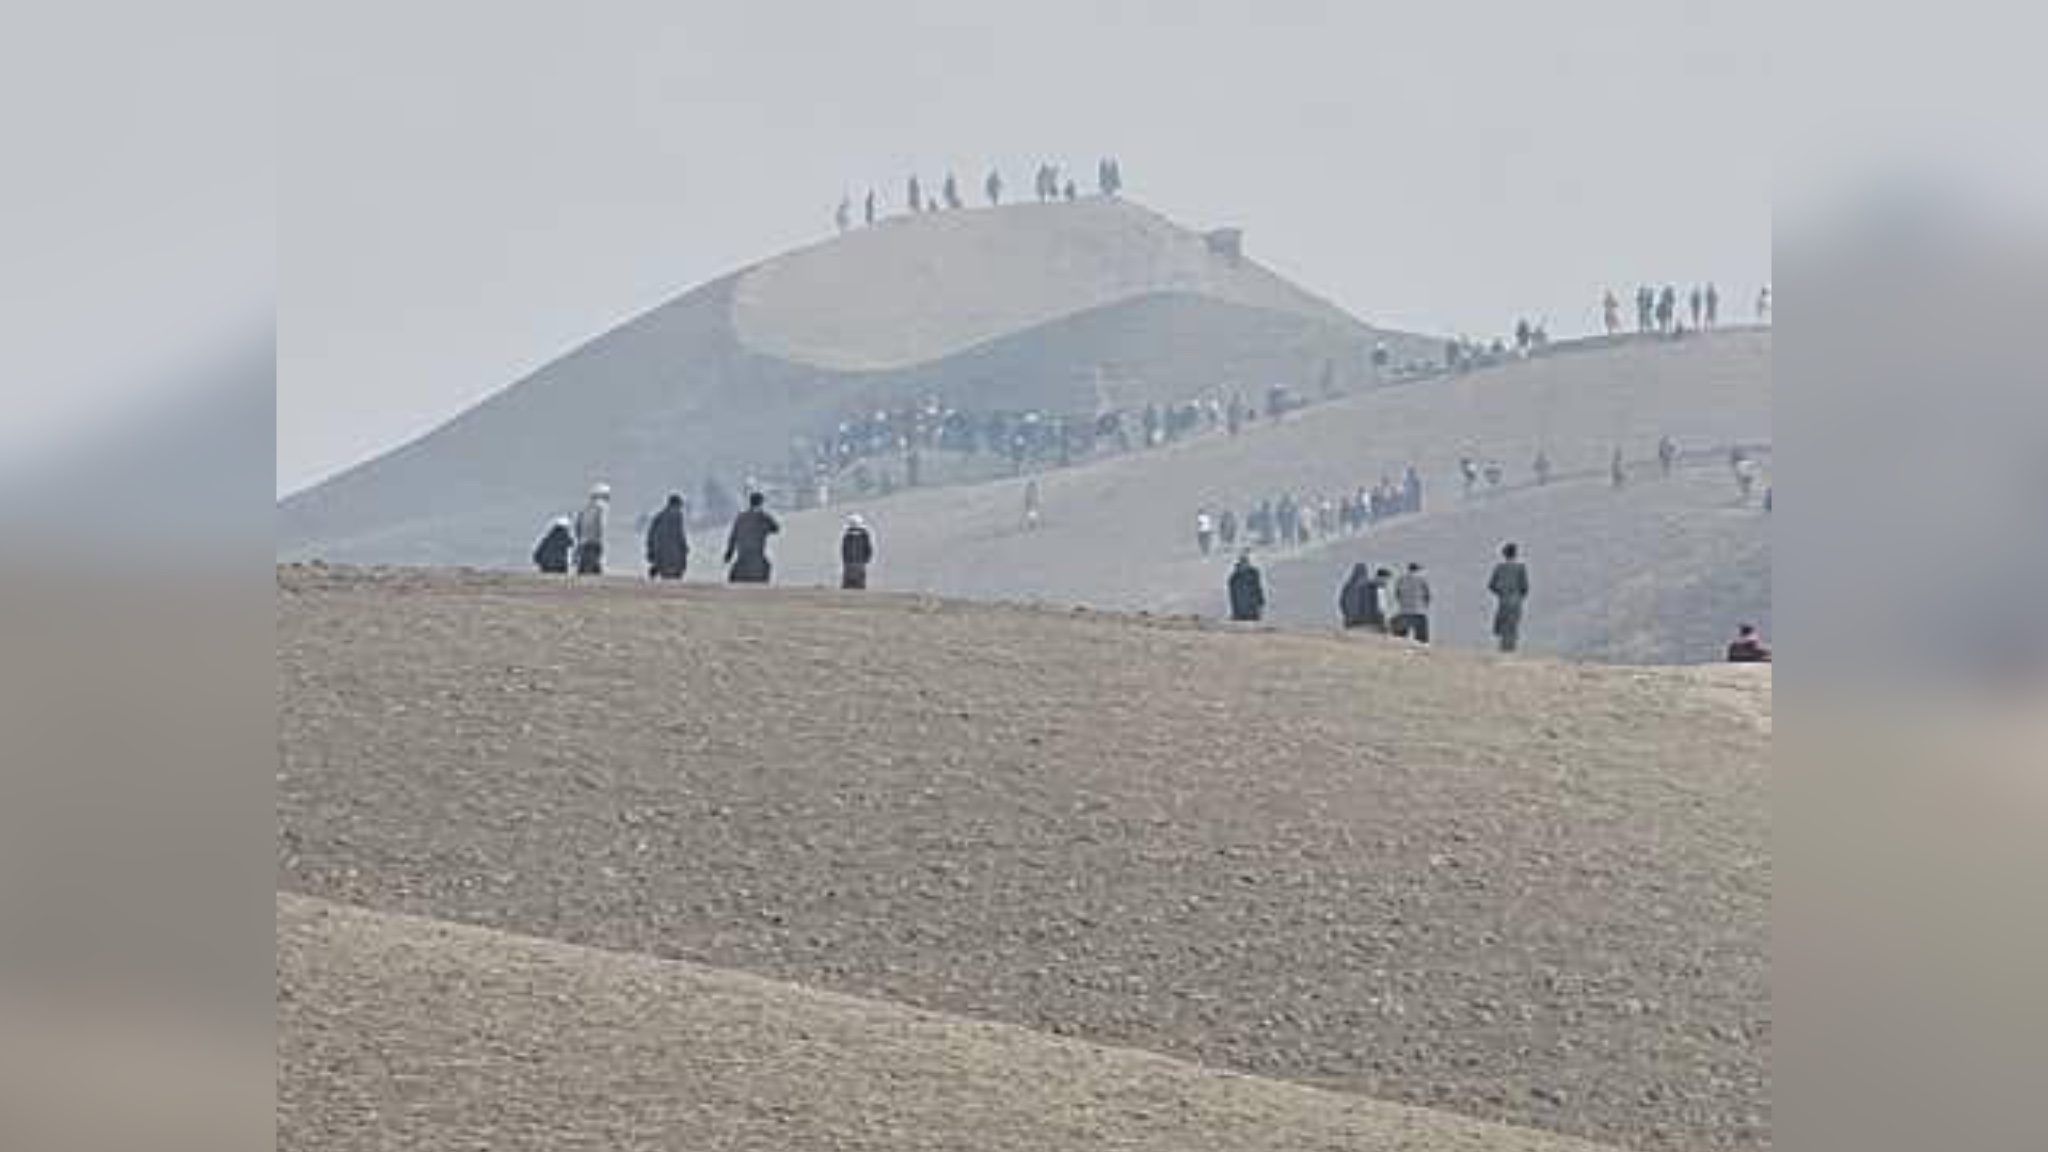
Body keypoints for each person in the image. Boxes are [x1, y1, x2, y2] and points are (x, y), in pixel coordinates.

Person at [724, 492, 780, 584]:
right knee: (767, 567)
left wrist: (728, 555)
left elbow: (733, 538)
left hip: (742, 558)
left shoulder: (741, 517)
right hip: (757, 558)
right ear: (761, 503)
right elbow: (776, 528)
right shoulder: (763, 517)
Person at [1487, 542, 1531, 653]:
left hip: (1503, 600)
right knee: (1513, 626)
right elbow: (1525, 587)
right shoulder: (1521, 567)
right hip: (1516, 600)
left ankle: (1503, 649)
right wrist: (1520, 596)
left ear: (1504, 554)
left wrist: (1500, 593)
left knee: (1503, 627)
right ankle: (1511, 649)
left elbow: (1491, 585)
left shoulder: (1499, 567)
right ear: (1515, 554)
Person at [645, 493, 690, 580]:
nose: (679, 508)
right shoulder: (675, 517)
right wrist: (684, 547)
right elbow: (679, 535)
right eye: (679, 505)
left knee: (668, 578)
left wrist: (651, 551)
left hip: (665, 556)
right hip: (670, 558)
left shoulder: (660, 517)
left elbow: (651, 535)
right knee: (671, 580)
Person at [1391, 562, 1433, 643]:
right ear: (1417, 570)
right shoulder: (1422, 579)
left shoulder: (1401, 579)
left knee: (1400, 638)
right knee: (1422, 640)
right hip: (1418, 612)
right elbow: (1427, 595)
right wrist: (1426, 606)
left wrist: (1402, 604)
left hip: (1403, 611)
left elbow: (1397, 594)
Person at [1339, 563, 1387, 632]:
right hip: (1368, 621)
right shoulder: (1371, 586)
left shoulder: (1348, 587)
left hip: (1351, 620)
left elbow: (1342, 602)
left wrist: (1347, 615)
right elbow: (1379, 605)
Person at [574, 483, 610, 575]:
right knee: (592, 567)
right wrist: (600, 541)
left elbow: (577, 525)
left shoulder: (586, 508)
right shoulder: (601, 508)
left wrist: (579, 540)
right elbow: (601, 526)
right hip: (594, 542)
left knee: (584, 567)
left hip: (584, 542)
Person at [839, 513, 874, 589]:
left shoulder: (848, 535)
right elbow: (869, 550)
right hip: (857, 564)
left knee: (850, 584)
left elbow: (843, 551)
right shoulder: (863, 535)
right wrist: (866, 560)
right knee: (858, 584)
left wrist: (845, 562)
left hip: (852, 564)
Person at [1227, 552, 1266, 622]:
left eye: (1245, 561)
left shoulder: (1253, 573)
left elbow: (1258, 588)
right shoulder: (1235, 577)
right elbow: (1232, 596)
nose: (1244, 564)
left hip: (1252, 609)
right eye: (1243, 561)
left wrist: (1261, 601)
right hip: (1240, 611)